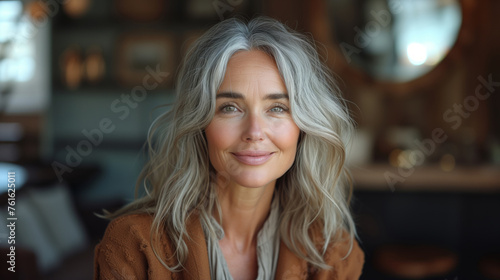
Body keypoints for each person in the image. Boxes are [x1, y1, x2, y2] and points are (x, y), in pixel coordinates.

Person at [94, 16, 364, 279]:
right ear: (200, 124)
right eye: (230, 108)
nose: (254, 132)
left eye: (278, 108)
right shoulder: (132, 245)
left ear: (303, 128)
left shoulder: (333, 255)